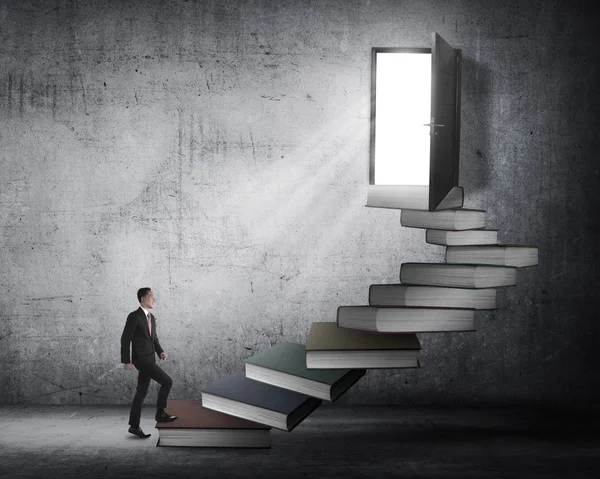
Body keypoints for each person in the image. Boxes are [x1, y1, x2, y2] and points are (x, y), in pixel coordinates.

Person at [121, 287, 178, 438]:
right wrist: (126, 361)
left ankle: (134, 426)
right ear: (143, 299)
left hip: (150, 359)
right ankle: (160, 414)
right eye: (151, 297)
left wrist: (160, 352)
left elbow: (154, 339)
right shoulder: (134, 316)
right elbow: (125, 339)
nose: (154, 299)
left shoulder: (151, 318)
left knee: (141, 393)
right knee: (167, 382)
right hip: (142, 360)